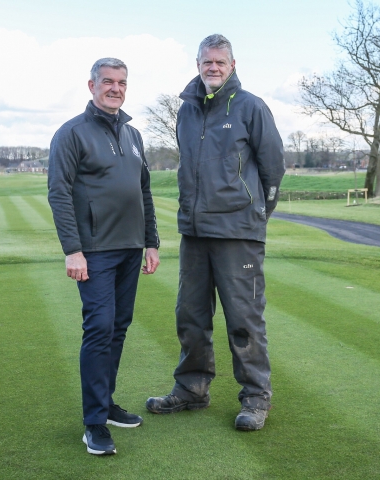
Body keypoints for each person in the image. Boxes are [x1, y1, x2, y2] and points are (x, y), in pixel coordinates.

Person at [146, 34, 284, 431]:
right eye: (207, 61)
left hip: (238, 231)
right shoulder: (186, 111)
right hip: (194, 232)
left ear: (232, 65)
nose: (214, 67)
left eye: (221, 62)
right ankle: (191, 389)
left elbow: (273, 168)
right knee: (189, 315)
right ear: (198, 64)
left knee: (244, 319)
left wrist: (255, 214)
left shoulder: (251, 107)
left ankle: (256, 398)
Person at [48, 57, 160, 455]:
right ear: (92, 85)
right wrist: (72, 250)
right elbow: (59, 193)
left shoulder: (133, 134)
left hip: (131, 248)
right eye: (108, 82)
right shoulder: (71, 133)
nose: (116, 88)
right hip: (93, 251)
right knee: (99, 328)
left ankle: (107, 404)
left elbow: (142, 191)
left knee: (118, 327)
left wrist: (151, 242)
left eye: (122, 82)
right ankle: (94, 423)